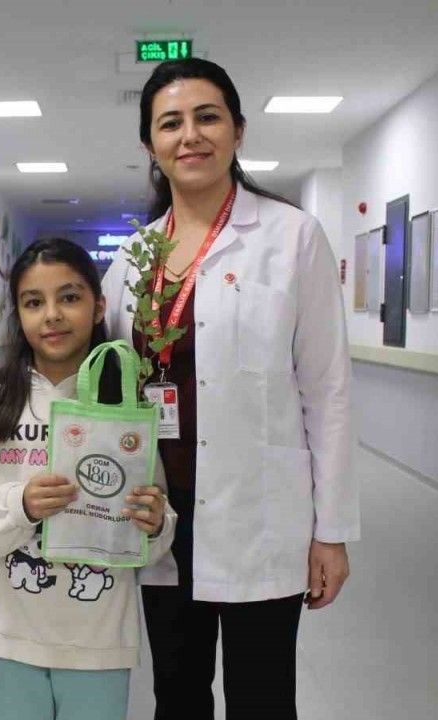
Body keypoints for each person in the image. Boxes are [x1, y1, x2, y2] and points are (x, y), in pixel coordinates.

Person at [101, 58, 358, 719]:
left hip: (260, 513)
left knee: (262, 697)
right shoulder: (131, 259)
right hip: (160, 513)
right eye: (170, 123)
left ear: (238, 131)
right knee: (176, 694)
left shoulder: (292, 236)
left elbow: (327, 390)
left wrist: (331, 532)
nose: (190, 135)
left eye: (207, 117)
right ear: (150, 144)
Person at [0, 238, 177, 720]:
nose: (52, 315)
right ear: (18, 314)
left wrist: (155, 524)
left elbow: (157, 515)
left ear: (98, 306)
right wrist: (21, 504)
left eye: (69, 297)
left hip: (98, 636)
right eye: (33, 302)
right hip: (8, 629)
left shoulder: (126, 405)